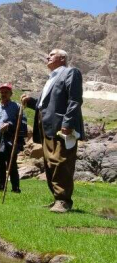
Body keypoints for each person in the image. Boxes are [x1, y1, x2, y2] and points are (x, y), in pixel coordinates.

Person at [21, 49, 85, 213]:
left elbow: (75, 99)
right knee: (50, 162)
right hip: (47, 127)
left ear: (62, 58)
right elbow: (45, 106)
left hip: (60, 126)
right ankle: (57, 198)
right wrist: (30, 102)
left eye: (51, 54)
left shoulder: (71, 72)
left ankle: (64, 201)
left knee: (61, 161)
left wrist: (68, 121)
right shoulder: (51, 79)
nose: (47, 56)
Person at [0, 83, 27, 193]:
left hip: (10, 138)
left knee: (11, 164)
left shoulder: (17, 107)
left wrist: (9, 125)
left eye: (6, 92)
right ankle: (1, 187)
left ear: (11, 94)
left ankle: (15, 188)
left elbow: (22, 123)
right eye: (2, 92)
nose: (3, 94)